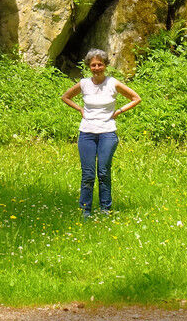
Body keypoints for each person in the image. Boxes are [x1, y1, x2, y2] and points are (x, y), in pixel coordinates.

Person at [60, 49, 141, 217]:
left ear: (105, 65)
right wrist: (80, 109)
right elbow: (65, 97)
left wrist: (119, 111)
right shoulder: (84, 84)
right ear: (89, 67)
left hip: (107, 133)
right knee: (88, 174)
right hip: (86, 133)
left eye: (100, 64)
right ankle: (85, 211)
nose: (97, 68)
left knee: (103, 172)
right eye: (93, 65)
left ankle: (105, 210)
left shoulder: (113, 83)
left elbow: (136, 98)